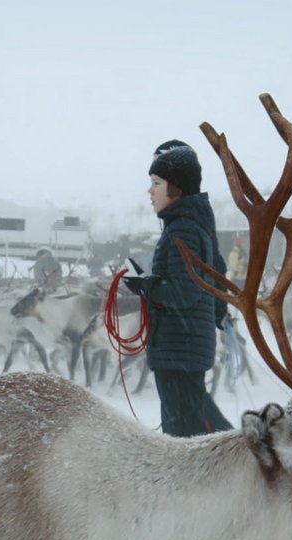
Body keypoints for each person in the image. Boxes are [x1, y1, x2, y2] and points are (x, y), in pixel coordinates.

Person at [123, 141, 232, 437]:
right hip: (182, 347)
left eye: (156, 183)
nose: (150, 191)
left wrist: (144, 284)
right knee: (194, 427)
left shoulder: (183, 228)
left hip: (180, 349)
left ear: (177, 188)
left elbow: (184, 293)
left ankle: (241, 461)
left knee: (185, 437)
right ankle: (240, 456)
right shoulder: (188, 224)